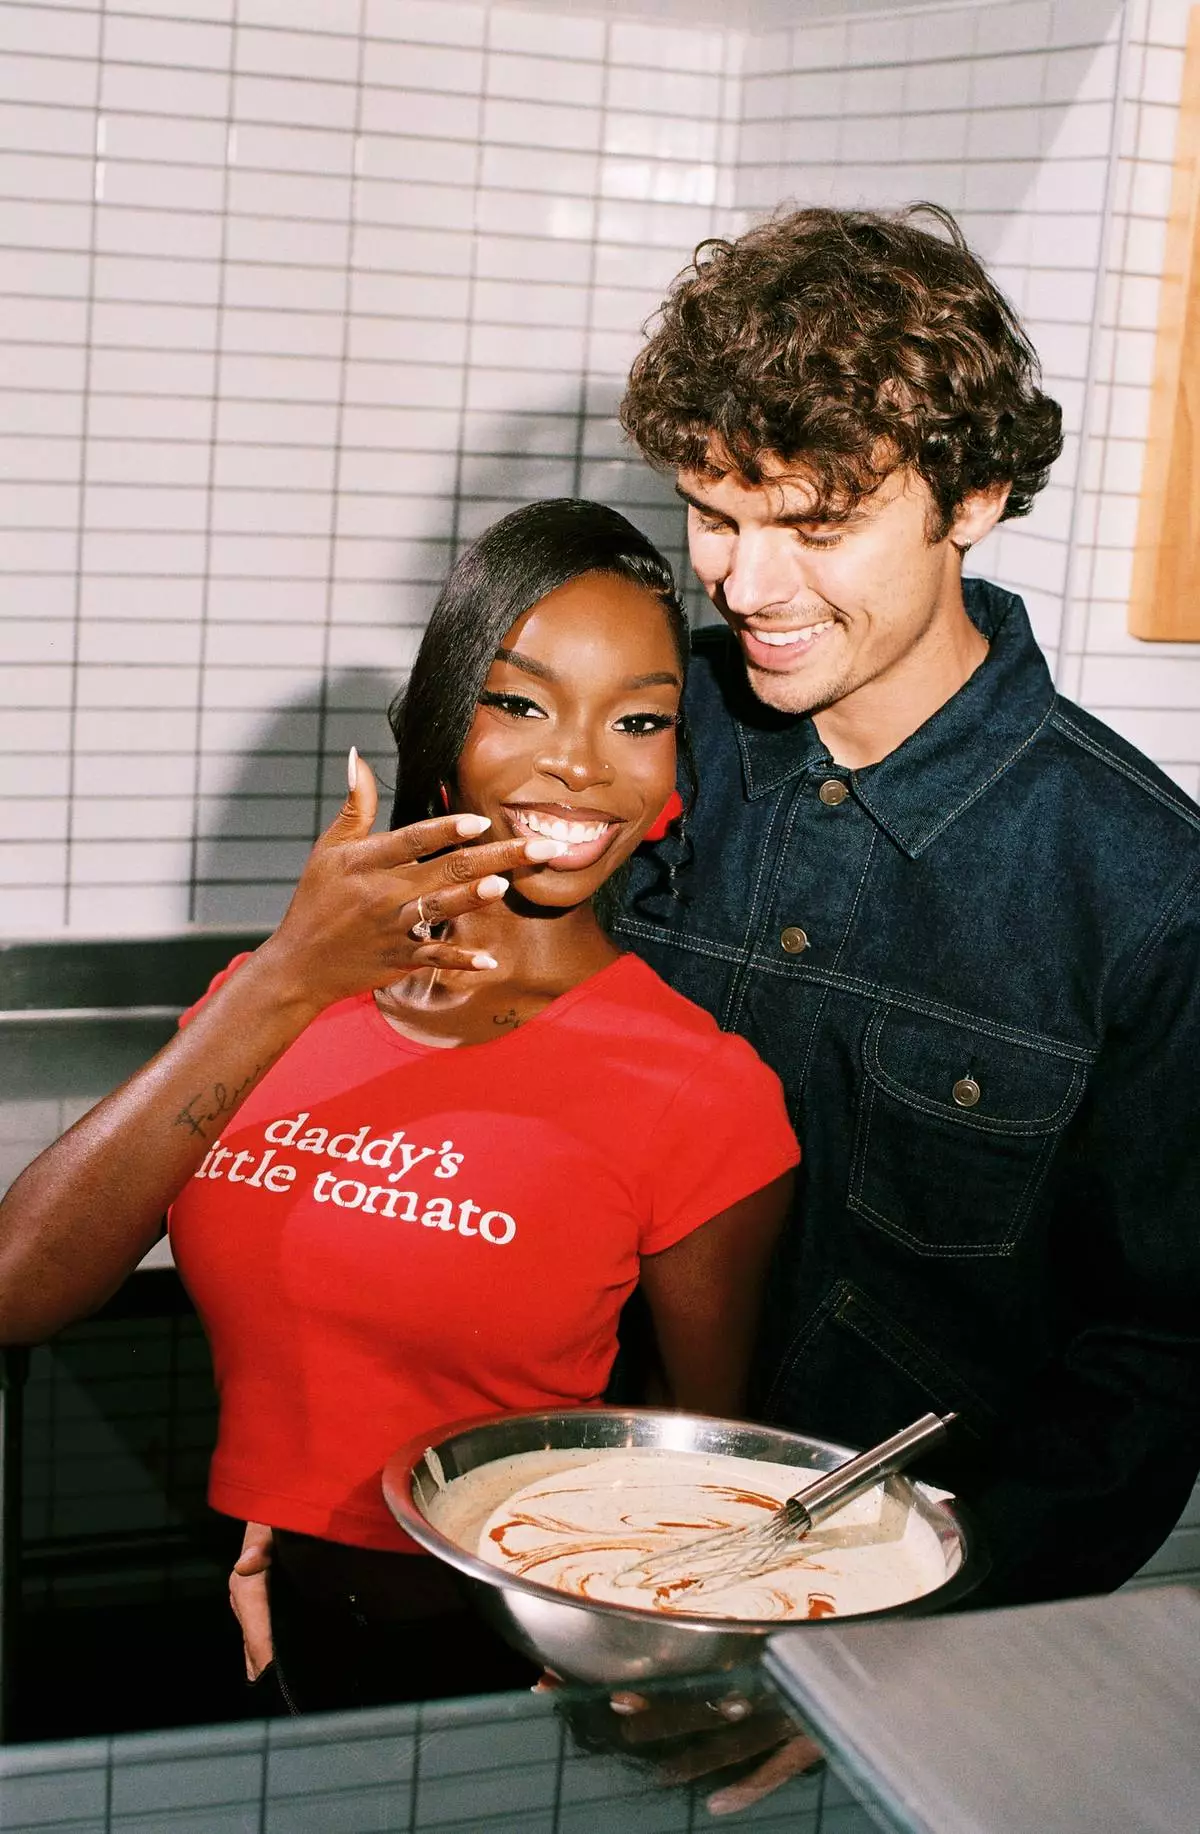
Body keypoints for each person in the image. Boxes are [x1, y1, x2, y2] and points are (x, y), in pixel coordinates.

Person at [0, 499, 798, 1713]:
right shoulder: (277, 999)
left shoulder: (696, 1082)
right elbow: (19, 1286)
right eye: (522, 703)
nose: (584, 761)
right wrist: (284, 977)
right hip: (268, 1615)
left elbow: (702, 1463)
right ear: (442, 725)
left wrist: (618, 1659)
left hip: (516, 1661)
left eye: (640, 720)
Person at [615, 203, 1200, 1610]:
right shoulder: (632, 729)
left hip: (887, 1617)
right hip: (556, 1517)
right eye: (715, 515)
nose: (747, 583)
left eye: (815, 524)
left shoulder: (1149, 890)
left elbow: (1158, 1358)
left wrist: (937, 1616)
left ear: (973, 497)